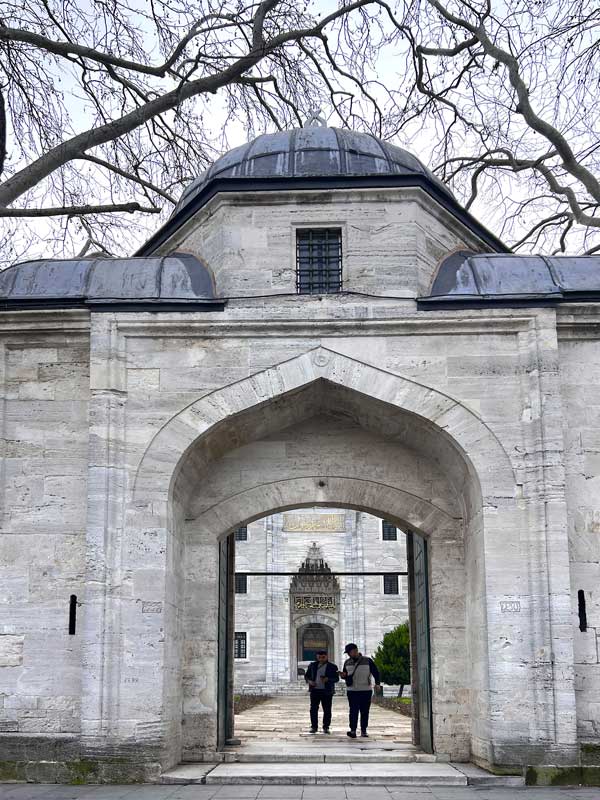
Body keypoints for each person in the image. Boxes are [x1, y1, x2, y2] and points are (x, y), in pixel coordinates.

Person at [339, 643, 381, 738]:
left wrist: (377, 683)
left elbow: (375, 672)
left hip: (365, 690)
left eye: (350, 652)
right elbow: (346, 675)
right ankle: (353, 730)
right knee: (353, 711)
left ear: (355, 651)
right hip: (352, 690)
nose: (349, 654)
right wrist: (343, 676)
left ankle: (363, 730)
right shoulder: (347, 662)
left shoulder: (368, 661)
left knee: (364, 711)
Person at [304, 649, 340, 734]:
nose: (321, 659)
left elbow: (336, 678)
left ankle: (326, 727)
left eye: (323, 657)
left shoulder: (332, 666)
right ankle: (314, 727)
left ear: (326, 657)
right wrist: (309, 681)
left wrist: (328, 679)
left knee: (327, 710)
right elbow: (307, 676)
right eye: (319, 657)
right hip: (315, 690)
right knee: (313, 709)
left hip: (327, 691)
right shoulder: (312, 665)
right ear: (317, 657)